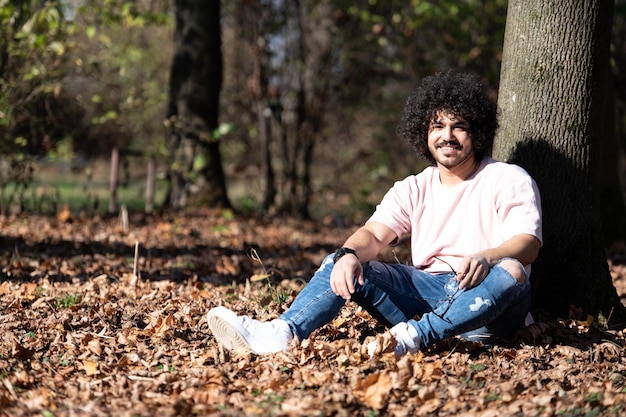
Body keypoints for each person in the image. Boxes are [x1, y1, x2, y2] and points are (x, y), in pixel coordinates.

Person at [206, 70, 543, 357]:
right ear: (424, 133)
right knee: (342, 260)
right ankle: (282, 332)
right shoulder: (413, 187)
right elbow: (373, 234)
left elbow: (528, 244)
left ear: (477, 132)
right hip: (426, 293)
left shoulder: (507, 178)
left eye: (459, 127)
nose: (447, 136)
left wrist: (487, 257)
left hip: (488, 302)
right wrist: (350, 254)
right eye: (437, 126)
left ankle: (415, 337)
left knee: (512, 270)